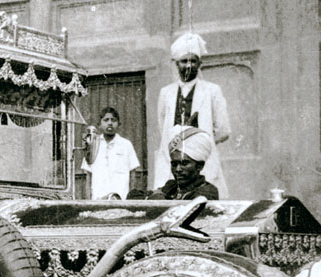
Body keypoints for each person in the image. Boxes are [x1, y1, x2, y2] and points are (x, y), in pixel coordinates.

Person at [152, 32, 231, 198]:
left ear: (199, 63)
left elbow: (224, 130)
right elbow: (163, 127)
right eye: (184, 61)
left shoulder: (212, 90)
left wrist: (199, 144)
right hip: (170, 161)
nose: (188, 66)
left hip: (202, 162)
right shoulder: (166, 93)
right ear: (176, 64)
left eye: (193, 61)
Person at [81, 106, 140, 200]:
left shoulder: (126, 144)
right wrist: (88, 201)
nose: (110, 123)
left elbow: (133, 173)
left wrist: (130, 200)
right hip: (98, 199)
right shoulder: (92, 144)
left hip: (121, 199)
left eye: (113, 120)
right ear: (99, 124)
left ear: (119, 124)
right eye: (106, 120)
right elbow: (88, 175)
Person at [146, 125, 219, 200]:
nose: (178, 169)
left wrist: (158, 199)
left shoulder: (207, 192)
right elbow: (136, 195)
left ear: (200, 166)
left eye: (184, 163)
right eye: (174, 164)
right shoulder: (172, 186)